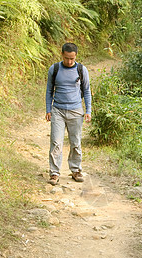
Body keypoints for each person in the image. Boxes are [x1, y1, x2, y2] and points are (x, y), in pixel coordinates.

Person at [45, 42, 92, 185]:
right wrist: (48, 109)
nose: (69, 61)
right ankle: (54, 173)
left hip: (76, 111)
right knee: (56, 142)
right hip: (58, 110)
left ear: (76, 56)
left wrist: (88, 110)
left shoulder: (81, 70)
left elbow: (87, 91)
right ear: (62, 55)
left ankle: (76, 170)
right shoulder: (55, 69)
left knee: (76, 143)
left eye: (72, 58)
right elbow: (49, 91)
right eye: (66, 58)